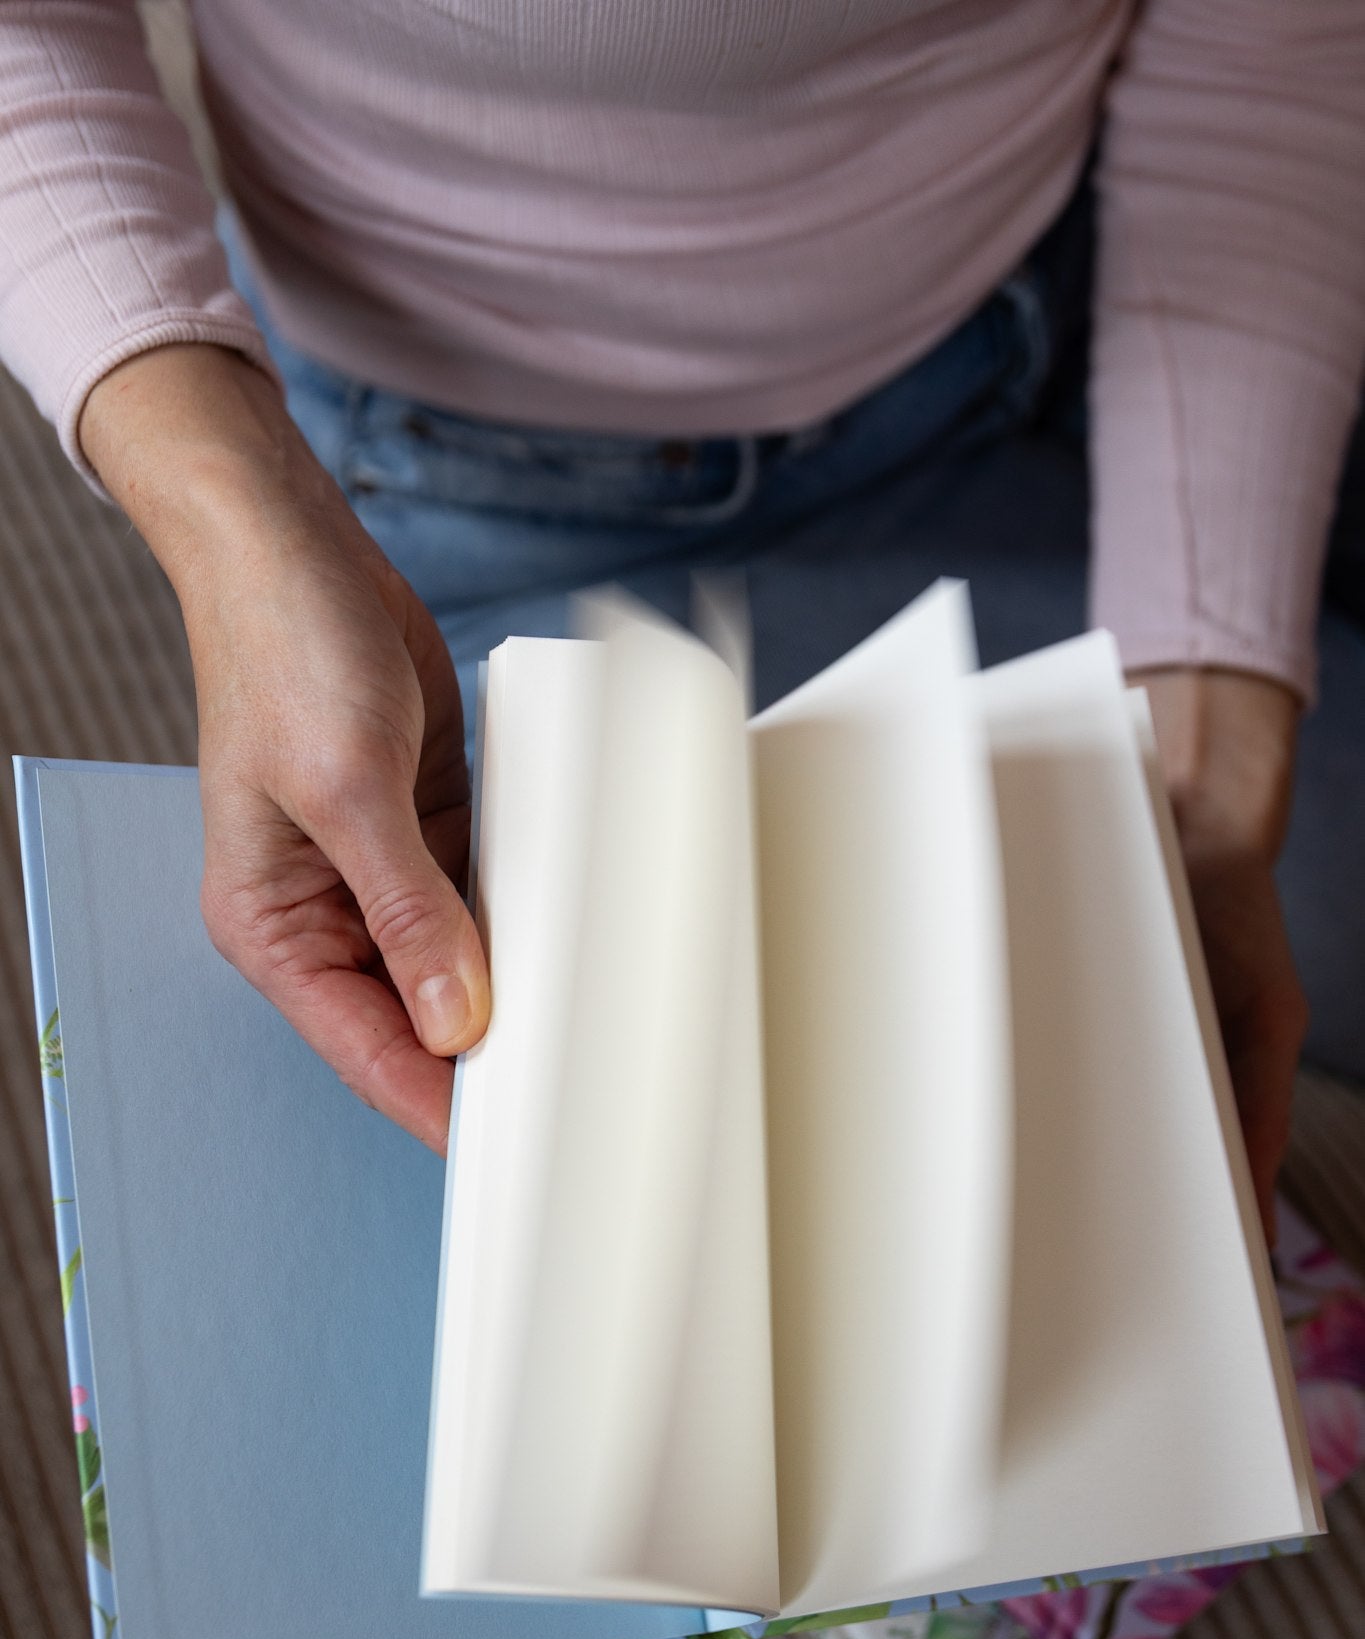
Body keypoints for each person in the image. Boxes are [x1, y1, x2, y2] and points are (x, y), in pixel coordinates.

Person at [2, 1, 1363, 1245]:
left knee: (1266, 941)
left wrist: (1210, 718)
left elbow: (1265, 59)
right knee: (399, 1163)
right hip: (436, 464)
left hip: (1044, 344)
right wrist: (240, 527)